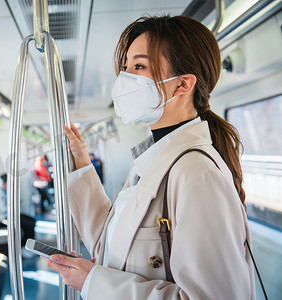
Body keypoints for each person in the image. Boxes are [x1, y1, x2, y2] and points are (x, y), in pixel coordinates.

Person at [44, 15, 255, 299]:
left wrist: (94, 283)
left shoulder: (197, 175)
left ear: (182, 85)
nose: (125, 78)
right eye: (126, 67)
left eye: (139, 66)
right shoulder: (154, 161)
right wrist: (81, 163)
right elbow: (112, 248)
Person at [0, 174, 36, 257]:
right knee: (29, 224)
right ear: (4, 183)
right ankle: (24, 248)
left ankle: (27, 246)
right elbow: (2, 210)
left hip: (3, 216)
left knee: (31, 220)